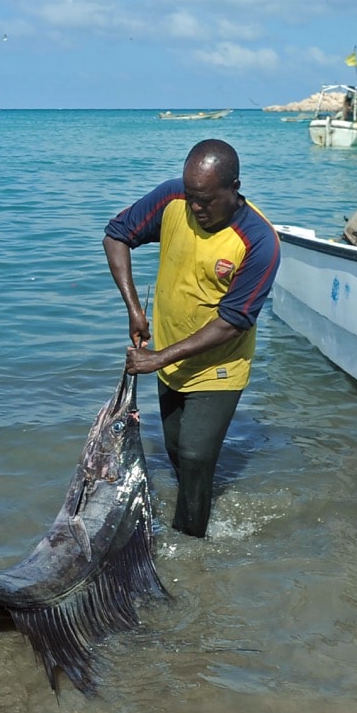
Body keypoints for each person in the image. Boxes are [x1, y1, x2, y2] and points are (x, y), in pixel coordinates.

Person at [103, 139, 280, 538]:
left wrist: (158, 358)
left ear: (234, 188)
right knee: (175, 449)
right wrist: (134, 308)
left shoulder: (259, 242)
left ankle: (191, 544)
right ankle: (193, 510)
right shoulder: (173, 199)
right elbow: (116, 235)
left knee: (197, 454)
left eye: (205, 200)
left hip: (220, 365)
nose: (195, 208)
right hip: (169, 356)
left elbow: (233, 322)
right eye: (191, 197)